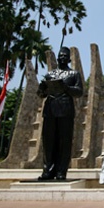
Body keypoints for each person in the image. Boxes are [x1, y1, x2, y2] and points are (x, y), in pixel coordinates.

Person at [37, 47, 83, 180]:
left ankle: (61, 171)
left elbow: (79, 92)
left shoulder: (74, 74)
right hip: (50, 111)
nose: (62, 57)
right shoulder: (49, 75)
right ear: (57, 58)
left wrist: (66, 88)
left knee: (64, 142)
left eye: (65, 56)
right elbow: (41, 95)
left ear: (69, 59)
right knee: (48, 142)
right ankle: (48, 170)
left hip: (65, 110)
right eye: (60, 55)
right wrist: (41, 89)